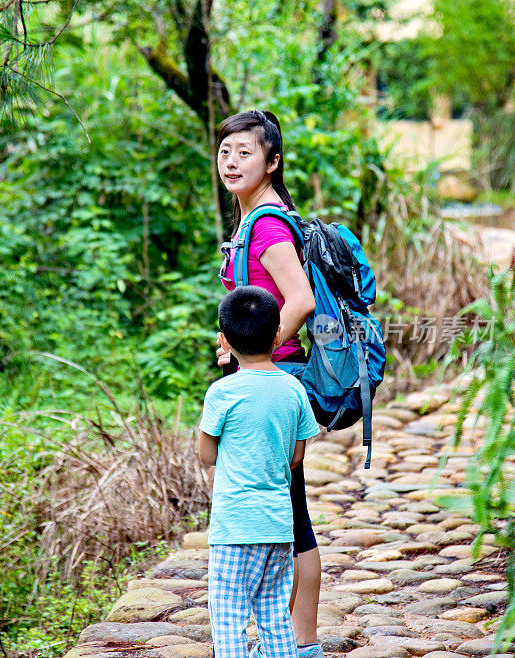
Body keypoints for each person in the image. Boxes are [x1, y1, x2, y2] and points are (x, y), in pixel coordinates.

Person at [214, 109, 324, 658]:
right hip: (266, 375)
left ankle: (302, 643)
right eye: (225, 150)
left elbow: (299, 300)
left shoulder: (269, 224)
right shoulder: (253, 219)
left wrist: (256, 352)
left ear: (272, 162)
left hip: (273, 380)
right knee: (289, 509)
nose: (231, 161)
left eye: (245, 153)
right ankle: (294, 640)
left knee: (294, 514)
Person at [199, 286, 320, 658]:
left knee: (229, 618)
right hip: (278, 525)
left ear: (223, 340)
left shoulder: (222, 393)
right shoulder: (295, 389)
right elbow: (296, 456)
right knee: (273, 617)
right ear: (278, 335)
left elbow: (206, 454)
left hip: (235, 526)